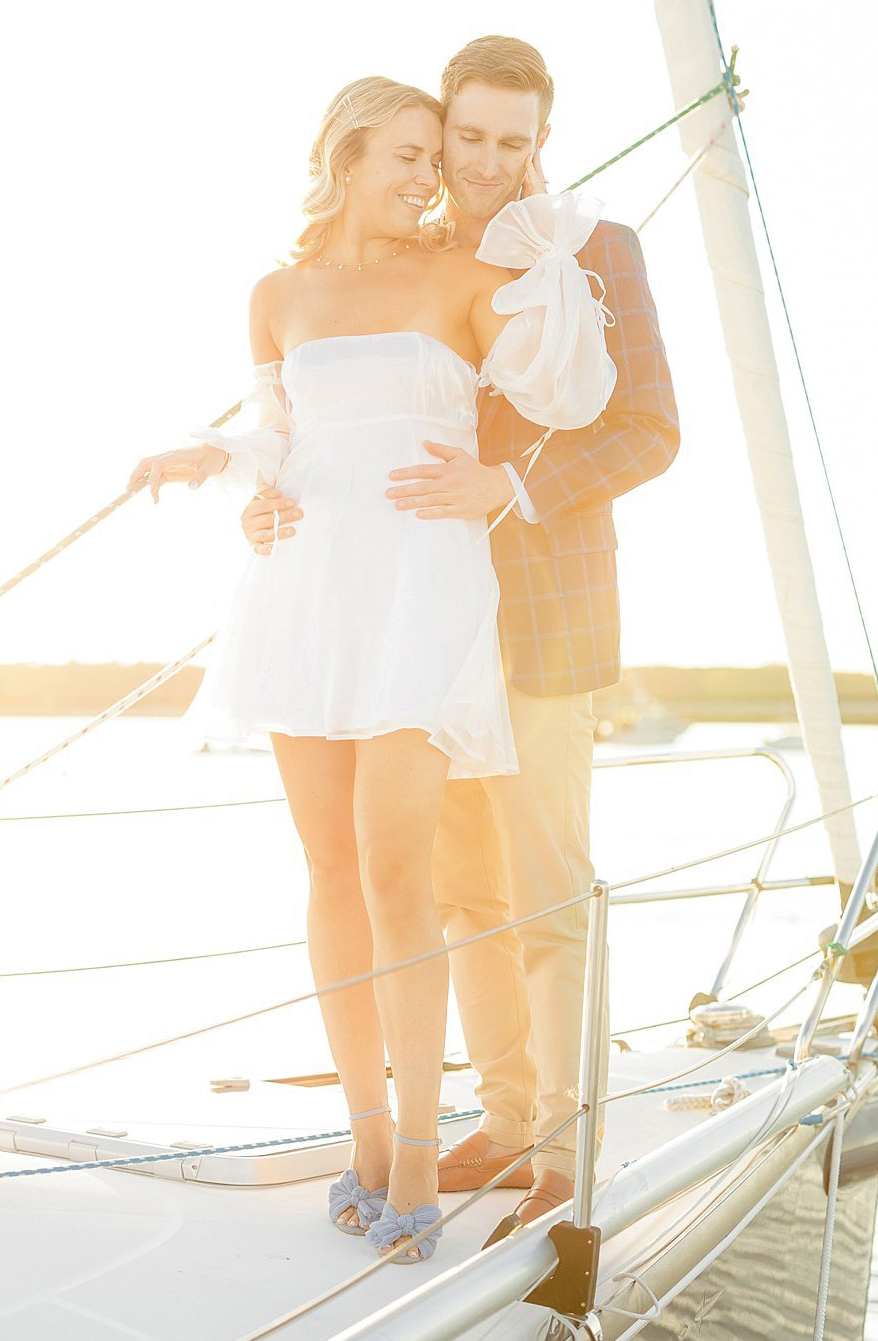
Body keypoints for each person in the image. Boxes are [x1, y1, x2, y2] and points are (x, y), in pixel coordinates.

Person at [127, 73, 615, 1264]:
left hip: (421, 583)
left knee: (401, 867)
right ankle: (358, 1129)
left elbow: (572, 391)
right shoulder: (277, 293)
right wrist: (219, 465)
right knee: (330, 866)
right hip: (307, 584)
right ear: (344, 158)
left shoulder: (467, 277)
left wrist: (547, 251)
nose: (426, 177)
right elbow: (282, 434)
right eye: (404, 157)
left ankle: (411, 1145)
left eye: (429, 160)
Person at [238, 38, 680, 1237]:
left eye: (506, 140)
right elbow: (322, 403)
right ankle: (503, 1118)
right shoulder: (419, 257)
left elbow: (647, 431)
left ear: (543, 140)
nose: (481, 163)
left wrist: (513, 487)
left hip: (537, 610)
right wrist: (254, 479)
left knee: (542, 892)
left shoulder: (594, 250)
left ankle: (566, 1152)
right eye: (463, 137)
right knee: (456, 893)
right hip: (405, 615)